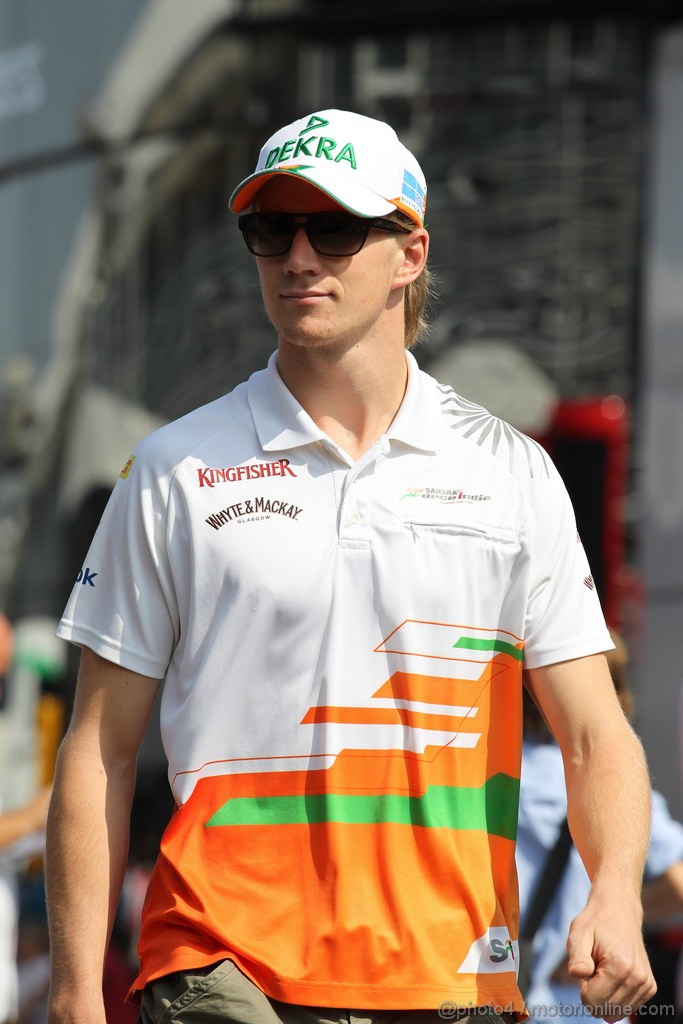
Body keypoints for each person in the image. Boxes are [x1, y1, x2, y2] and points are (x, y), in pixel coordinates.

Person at [45, 108, 656, 1024]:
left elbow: (595, 735)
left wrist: (616, 897)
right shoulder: (174, 468)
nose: (296, 258)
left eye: (332, 228)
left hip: (452, 975)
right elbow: (99, 748)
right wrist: (70, 994)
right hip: (223, 966)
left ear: (409, 253)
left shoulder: (509, 470)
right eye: (269, 230)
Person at [517, 633, 683, 1022]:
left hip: (490, 997)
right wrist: (615, 921)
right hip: (586, 1006)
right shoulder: (618, 788)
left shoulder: (489, 773)